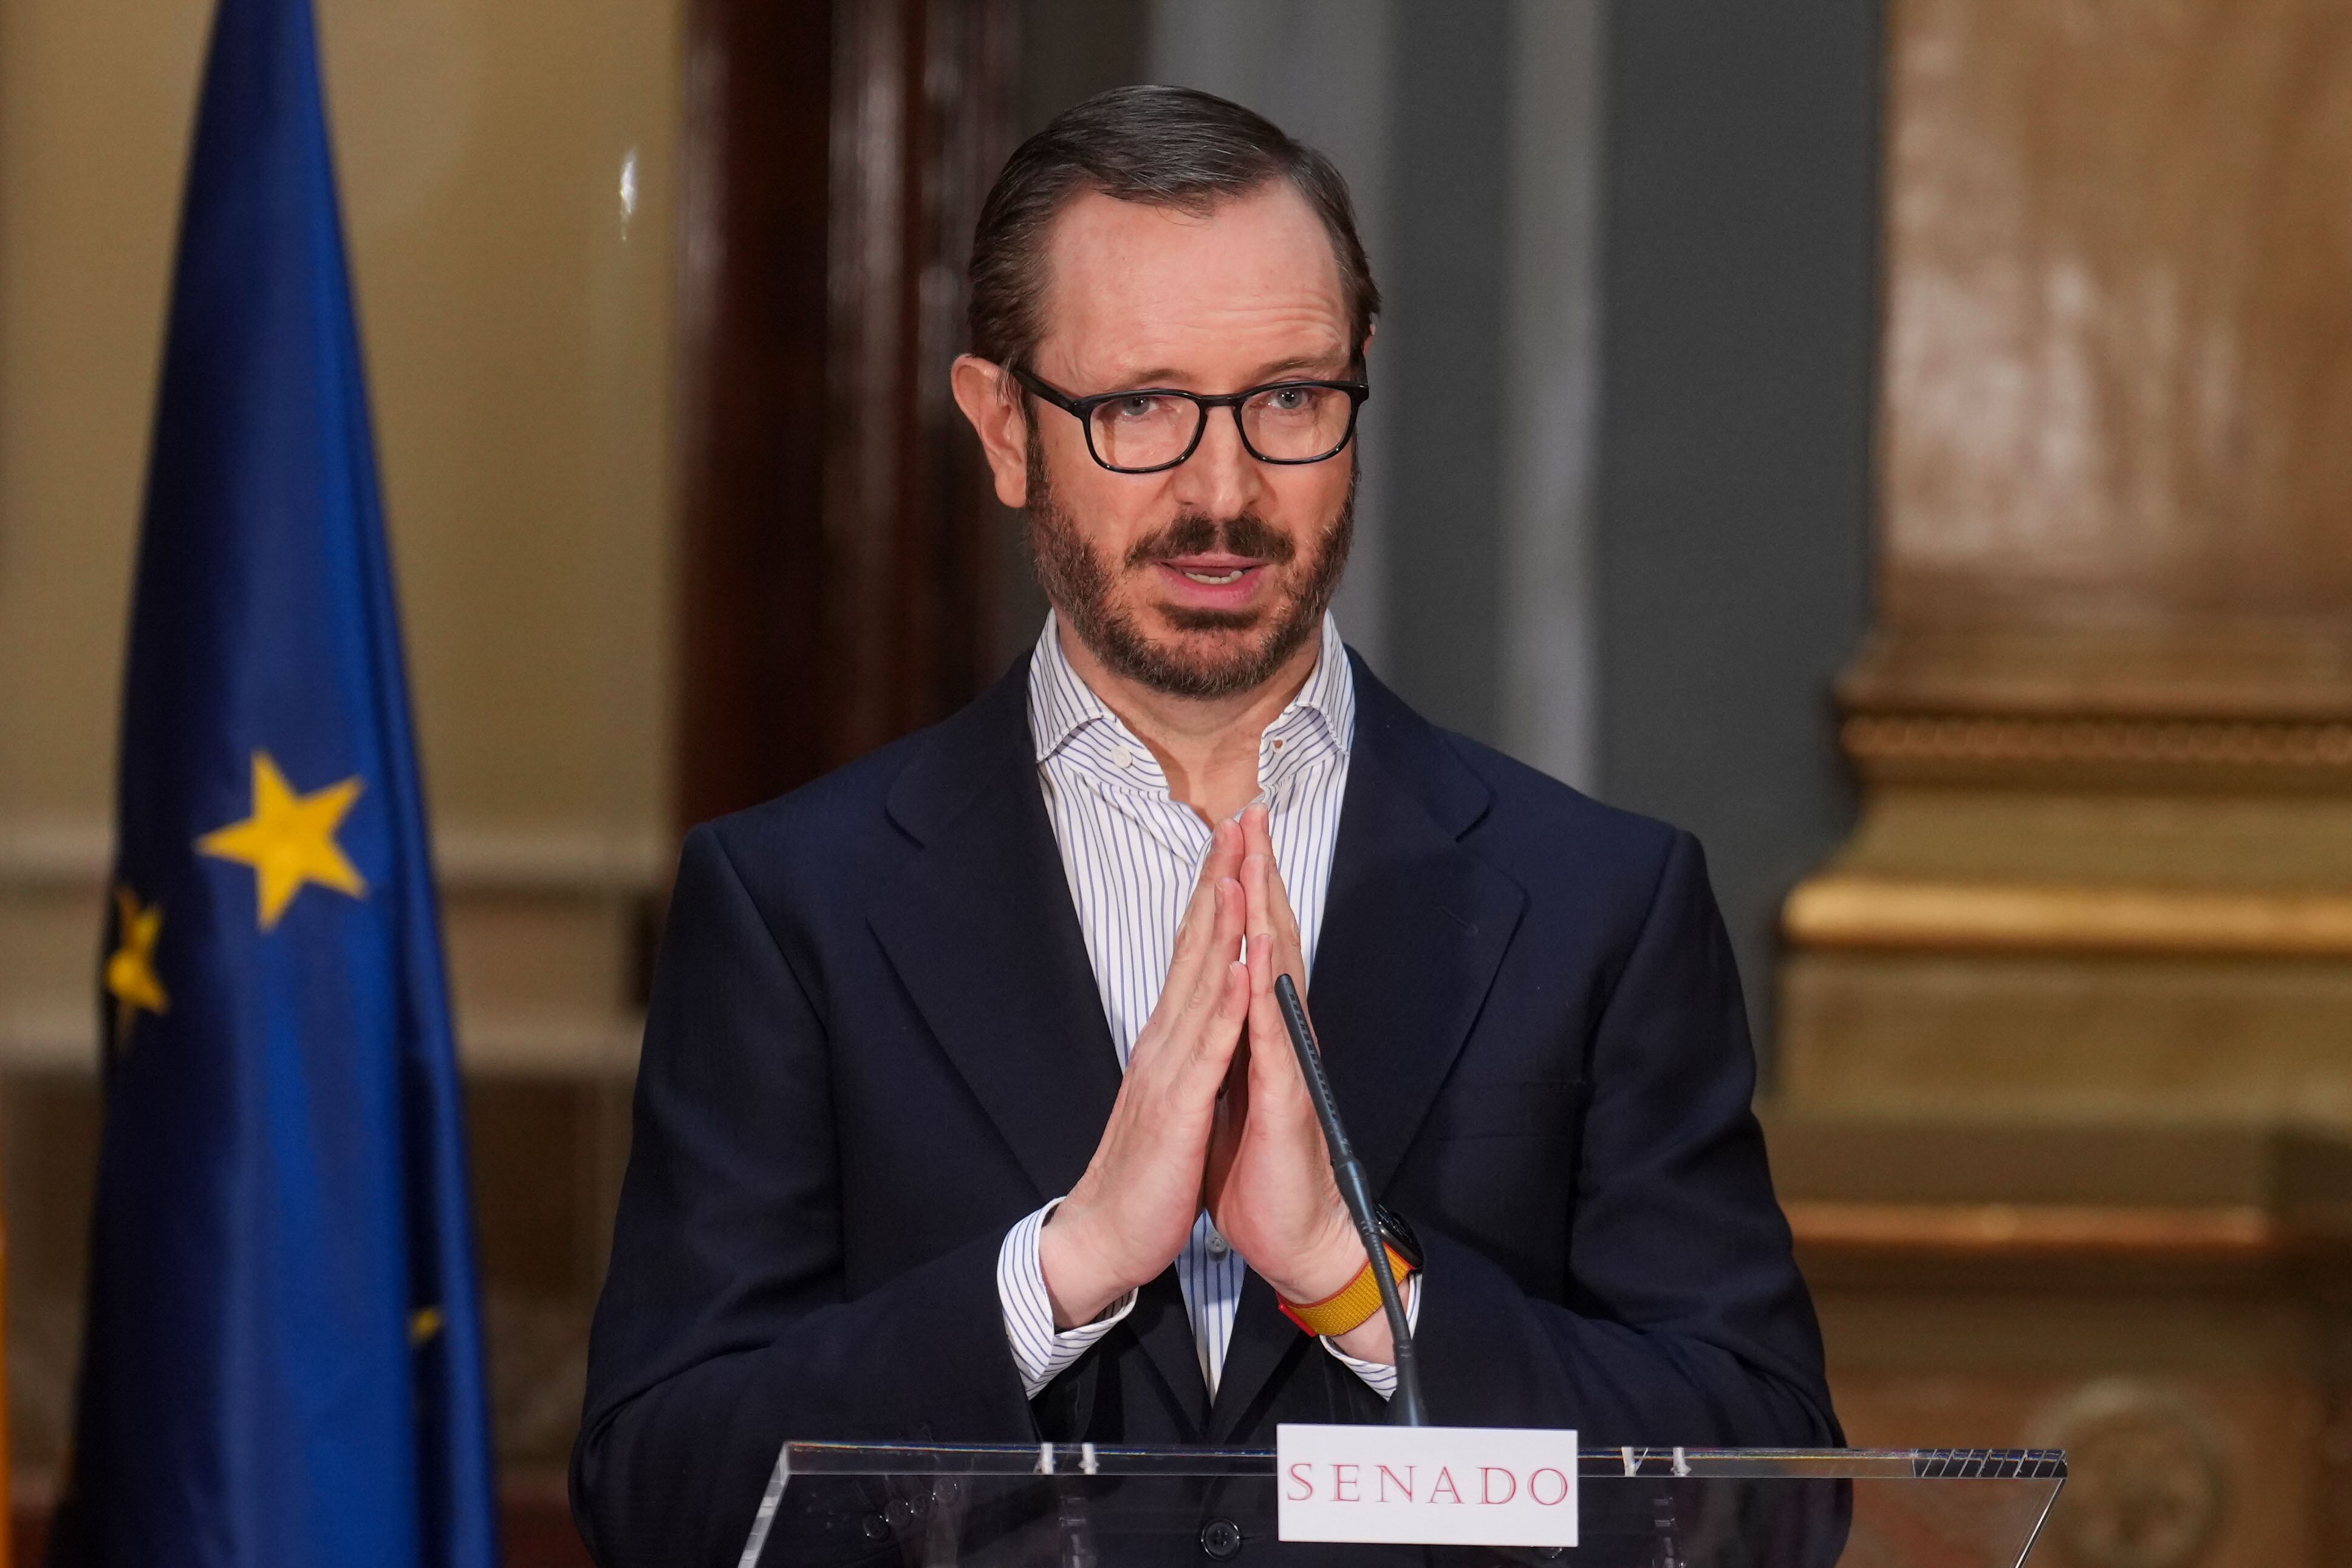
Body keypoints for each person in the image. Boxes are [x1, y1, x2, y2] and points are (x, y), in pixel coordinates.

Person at [572, 85, 1838, 1566]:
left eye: (1288, 399)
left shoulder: (1597, 904)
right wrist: (1055, 1274)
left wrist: (1360, 1290)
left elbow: (1770, 1500)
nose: (1223, 490)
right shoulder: (791, 905)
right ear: (1002, 428)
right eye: (1140, 409)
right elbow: (663, 1497)